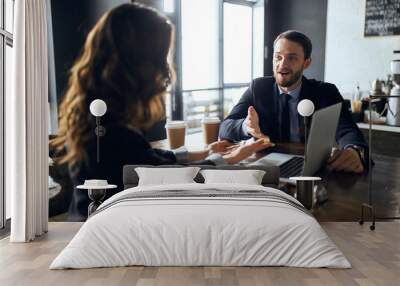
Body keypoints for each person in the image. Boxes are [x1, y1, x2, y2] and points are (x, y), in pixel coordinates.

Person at [51, 3, 271, 221]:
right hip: (104, 233)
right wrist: (232, 158)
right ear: (139, 61)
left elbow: (150, 160)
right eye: (161, 56)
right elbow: (172, 177)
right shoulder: (112, 131)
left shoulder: (96, 110)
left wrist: (204, 152)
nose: (165, 69)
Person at [219, 30, 368, 174]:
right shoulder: (258, 88)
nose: (282, 64)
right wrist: (247, 126)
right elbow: (225, 127)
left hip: (311, 170)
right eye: (278, 57)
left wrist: (354, 151)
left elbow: (348, 130)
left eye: (292, 58)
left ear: (306, 63)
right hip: (266, 168)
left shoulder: (325, 92)